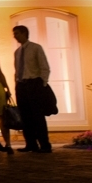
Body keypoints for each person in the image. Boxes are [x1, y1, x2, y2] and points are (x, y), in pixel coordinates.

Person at [13, 25, 53, 153]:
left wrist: (42, 83)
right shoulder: (17, 52)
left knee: (37, 115)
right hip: (22, 84)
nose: (15, 36)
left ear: (24, 33)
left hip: (34, 83)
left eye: (17, 33)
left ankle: (44, 144)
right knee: (25, 115)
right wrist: (17, 83)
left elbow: (44, 66)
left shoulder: (36, 48)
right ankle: (31, 143)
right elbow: (17, 69)